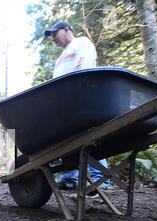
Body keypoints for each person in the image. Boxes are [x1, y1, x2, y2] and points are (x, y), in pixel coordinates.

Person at [44, 22, 111, 190]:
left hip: (81, 96)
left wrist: (79, 89)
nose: (52, 38)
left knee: (91, 135)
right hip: (65, 101)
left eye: (54, 33)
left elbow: (83, 65)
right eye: (50, 36)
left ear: (67, 30)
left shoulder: (81, 43)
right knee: (69, 138)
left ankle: (99, 178)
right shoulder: (61, 57)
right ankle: (69, 178)